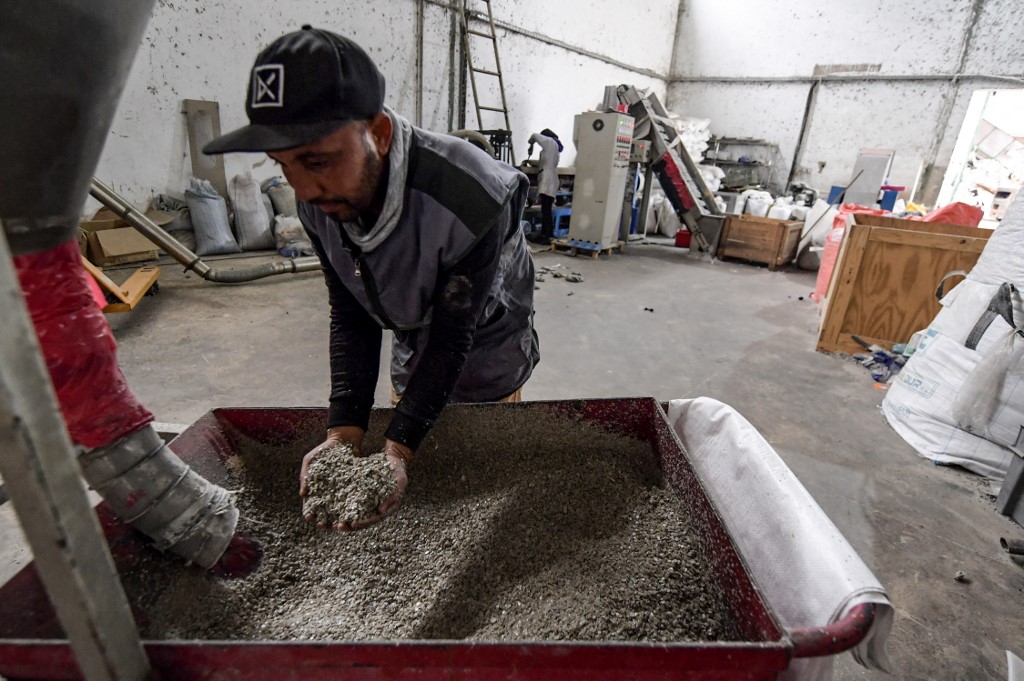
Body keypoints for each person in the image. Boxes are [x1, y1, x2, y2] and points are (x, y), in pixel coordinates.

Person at [203, 26, 539, 530]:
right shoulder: (320, 199)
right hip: (415, 330)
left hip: (485, 342)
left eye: (317, 160)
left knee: (475, 470)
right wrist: (344, 431)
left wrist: (397, 450)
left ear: (378, 134)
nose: (303, 189)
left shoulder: (469, 197)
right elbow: (351, 311)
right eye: (284, 165)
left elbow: (453, 338)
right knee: (416, 433)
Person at [524, 129, 563, 245]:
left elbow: (534, 135)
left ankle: (546, 236)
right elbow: (546, 161)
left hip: (547, 179)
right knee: (546, 209)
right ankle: (547, 234)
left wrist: (531, 143)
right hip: (551, 179)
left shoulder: (549, 141)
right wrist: (533, 162)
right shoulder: (554, 147)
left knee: (546, 210)